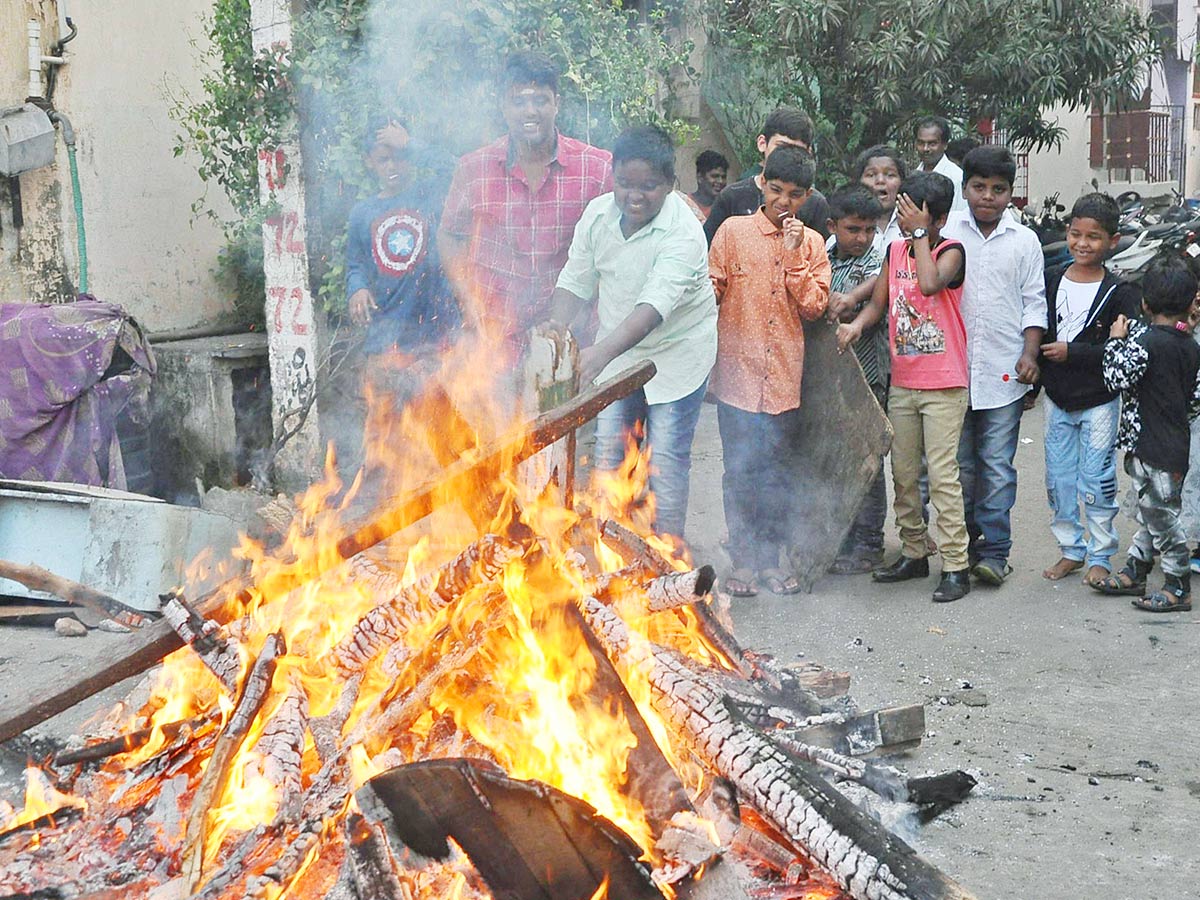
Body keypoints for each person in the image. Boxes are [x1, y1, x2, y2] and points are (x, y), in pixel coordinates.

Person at [550, 125, 717, 544]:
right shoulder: (597, 215)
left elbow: (652, 310)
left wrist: (596, 356)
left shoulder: (684, 232)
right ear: (613, 176)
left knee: (664, 460)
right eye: (624, 184)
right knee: (611, 454)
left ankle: (666, 560)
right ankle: (614, 553)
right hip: (619, 351)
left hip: (677, 356)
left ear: (671, 184)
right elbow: (575, 281)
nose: (634, 196)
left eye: (649, 187)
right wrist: (553, 335)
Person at [837, 172, 970, 601]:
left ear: (940, 219)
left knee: (944, 475)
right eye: (903, 211)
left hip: (945, 383)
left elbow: (931, 284)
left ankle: (956, 564)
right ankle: (914, 552)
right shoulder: (894, 252)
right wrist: (856, 326)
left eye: (917, 215)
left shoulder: (951, 251)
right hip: (904, 382)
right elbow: (879, 301)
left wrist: (918, 236)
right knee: (904, 474)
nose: (906, 220)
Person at [708, 146, 831, 596]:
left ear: (807, 196)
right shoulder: (731, 232)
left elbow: (815, 307)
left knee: (778, 471)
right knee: (739, 471)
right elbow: (710, 295)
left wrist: (795, 255)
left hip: (782, 381)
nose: (784, 202)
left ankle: (773, 560)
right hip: (735, 379)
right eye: (776, 190)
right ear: (762, 183)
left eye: (794, 195)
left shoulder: (814, 244)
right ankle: (742, 561)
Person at [440, 51, 612, 346]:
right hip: (493, 339)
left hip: (571, 338)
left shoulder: (597, 169)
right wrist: (469, 300)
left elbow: (615, 248)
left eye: (541, 100)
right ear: (503, 106)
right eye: (519, 101)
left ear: (557, 103)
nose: (530, 111)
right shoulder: (473, 169)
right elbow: (449, 236)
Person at [942, 145, 1046, 586]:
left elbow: (1033, 303)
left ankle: (996, 552)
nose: (987, 196)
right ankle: (960, 549)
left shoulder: (1024, 242)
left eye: (998, 189)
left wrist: (1030, 353)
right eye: (979, 187)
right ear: (964, 188)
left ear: (1011, 194)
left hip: (1004, 374)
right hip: (953, 372)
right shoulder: (947, 233)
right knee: (959, 466)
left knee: (997, 466)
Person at [1038, 193, 1140, 586]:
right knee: (1058, 478)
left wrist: (1073, 352)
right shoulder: (1052, 280)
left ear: (1112, 242)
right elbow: (1036, 326)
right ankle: (1070, 550)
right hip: (1057, 398)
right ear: (1067, 233)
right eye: (1076, 234)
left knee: (1097, 479)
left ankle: (1100, 554)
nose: (1083, 243)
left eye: (1093, 237)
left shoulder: (1121, 292)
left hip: (1099, 399)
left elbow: (1120, 349)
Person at [1093, 258, 1200, 612]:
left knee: (1163, 521)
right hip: (1173, 444)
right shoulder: (1190, 346)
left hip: (1149, 447)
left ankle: (1177, 586)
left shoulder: (1144, 344)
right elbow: (1196, 399)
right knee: (1151, 511)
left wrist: (1114, 340)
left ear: (1145, 304)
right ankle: (1136, 569)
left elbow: (1114, 377)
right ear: (1190, 303)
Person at [345, 116, 459, 373]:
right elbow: (356, 264)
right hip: (387, 337)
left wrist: (410, 143)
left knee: (441, 409)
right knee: (386, 410)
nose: (393, 165)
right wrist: (357, 288)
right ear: (369, 162)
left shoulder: (431, 193)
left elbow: (456, 169)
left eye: (400, 156)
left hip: (438, 332)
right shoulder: (362, 213)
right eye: (383, 160)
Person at [823, 185, 887, 574]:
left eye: (869, 229)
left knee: (869, 461)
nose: (862, 238)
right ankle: (841, 538)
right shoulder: (823, 255)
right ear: (833, 226)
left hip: (868, 377)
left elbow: (879, 283)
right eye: (853, 230)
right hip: (830, 378)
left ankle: (869, 542)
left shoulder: (876, 257)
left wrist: (849, 301)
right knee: (835, 461)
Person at [704, 107, 830, 243]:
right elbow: (710, 251)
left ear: (809, 153)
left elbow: (822, 258)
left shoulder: (815, 204)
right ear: (762, 143)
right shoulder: (732, 196)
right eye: (781, 146)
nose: (787, 155)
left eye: (796, 149)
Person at [853, 145, 906, 255]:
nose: (880, 180)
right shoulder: (847, 224)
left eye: (890, 175)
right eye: (871, 175)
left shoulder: (913, 223)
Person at [913, 116, 966, 212]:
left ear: (945, 144)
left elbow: (958, 216)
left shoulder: (956, 178)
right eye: (921, 143)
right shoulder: (913, 176)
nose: (926, 149)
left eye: (932, 144)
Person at [690, 150, 729, 220]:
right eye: (714, 176)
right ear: (700, 178)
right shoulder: (684, 204)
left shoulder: (726, 212)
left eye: (723, 177)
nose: (720, 181)